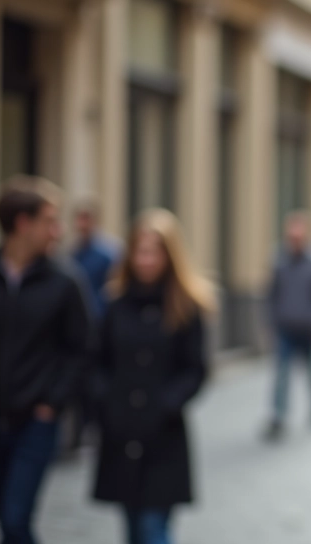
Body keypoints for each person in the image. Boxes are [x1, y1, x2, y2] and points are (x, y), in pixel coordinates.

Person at [90, 209, 213, 544]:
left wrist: (167, 404)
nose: (146, 260)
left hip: (163, 435)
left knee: (153, 527)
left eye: (154, 252)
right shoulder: (114, 304)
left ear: (170, 256)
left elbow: (196, 368)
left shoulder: (185, 306)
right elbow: (97, 360)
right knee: (131, 527)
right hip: (121, 431)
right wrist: (105, 401)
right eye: (140, 251)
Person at [0, 176, 91, 544]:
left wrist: (53, 402)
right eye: (50, 221)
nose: (58, 231)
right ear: (23, 223)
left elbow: (82, 348)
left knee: (16, 518)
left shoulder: (65, 282)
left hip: (35, 422)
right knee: (6, 516)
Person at [264, 212, 311, 441]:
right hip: (286, 327)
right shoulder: (279, 262)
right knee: (282, 374)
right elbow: (271, 294)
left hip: (309, 329)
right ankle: (278, 416)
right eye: (291, 237)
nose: (294, 241)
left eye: (298, 237)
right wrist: (272, 320)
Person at [63, 200, 120, 454]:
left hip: (100, 325)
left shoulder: (108, 253)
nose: (81, 224)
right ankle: (80, 431)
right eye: (79, 219)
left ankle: (96, 426)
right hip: (79, 327)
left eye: (85, 218)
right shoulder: (73, 254)